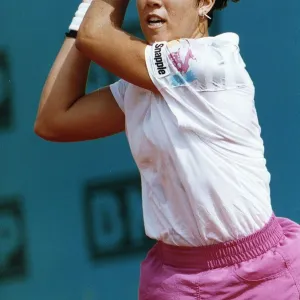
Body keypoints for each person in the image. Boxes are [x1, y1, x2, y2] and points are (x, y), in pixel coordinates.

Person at [34, 0, 300, 299]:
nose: (152, 1)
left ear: (205, 3)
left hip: (263, 280)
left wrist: (93, 16)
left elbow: (95, 36)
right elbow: (54, 120)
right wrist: (82, 17)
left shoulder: (209, 62)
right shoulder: (139, 87)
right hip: (174, 284)